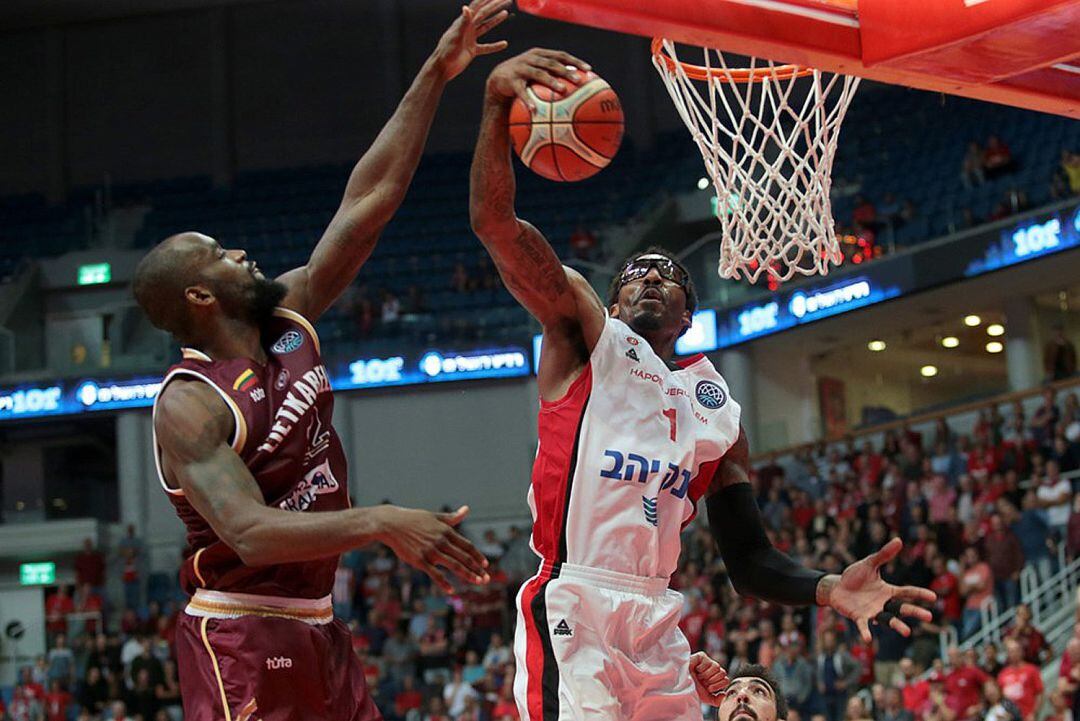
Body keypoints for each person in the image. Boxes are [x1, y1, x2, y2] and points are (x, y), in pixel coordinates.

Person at [469, 48, 935, 721]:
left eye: (669, 275)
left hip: (658, 616)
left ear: (688, 314)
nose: (652, 277)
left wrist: (830, 588)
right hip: (577, 602)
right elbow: (495, 225)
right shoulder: (582, 333)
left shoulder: (716, 416)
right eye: (636, 273)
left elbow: (749, 562)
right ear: (612, 297)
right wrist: (493, 107)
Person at [132, 2, 510, 719]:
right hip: (240, 629)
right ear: (199, 294)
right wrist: (383, 520)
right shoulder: (189, 403)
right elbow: (248, 529)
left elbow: (369, 199)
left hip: (318, 623)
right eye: (220, 254)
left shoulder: (288, 315)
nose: (241, 253)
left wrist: (437, 70)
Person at [997, 638, 1044, 721]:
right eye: (1011, 651)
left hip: (1029, 716)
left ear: (1021, 652)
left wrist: (1034, 713)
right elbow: (1001, 698)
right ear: (1008, 654)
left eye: (1016, 650)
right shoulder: (1002, 675)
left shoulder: (1031, 670)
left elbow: (1040, 694)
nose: (1014, 654)